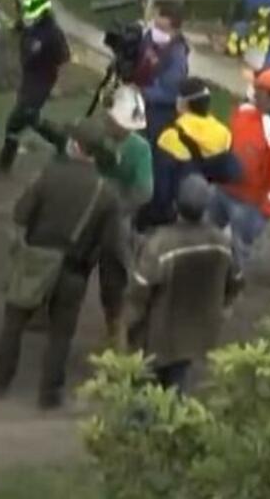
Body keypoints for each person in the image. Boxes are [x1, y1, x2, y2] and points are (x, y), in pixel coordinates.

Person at [0, 121, 124, 409]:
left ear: (74, 146)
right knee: (61, 335)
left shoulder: (49, 175)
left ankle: (0, 382)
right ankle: (49, 395)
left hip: (35, 263)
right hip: (74, 270)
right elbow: (111, 247)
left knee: (14, 323)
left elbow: (21, 213)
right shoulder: (107, 193)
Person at [124, 174, 242, 393]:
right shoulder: (222, 242)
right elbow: (236, 280)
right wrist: (223, 307)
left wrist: (131, 326)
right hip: (195, 334)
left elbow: (139, 290)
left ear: (176, 204)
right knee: (177, 386)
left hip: (157, 334)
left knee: (143, 390)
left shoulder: (161, 243)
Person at [212, 66, 270, 266]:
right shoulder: (248, 109)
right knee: (207, 235)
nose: (252, 92)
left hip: (249, 204)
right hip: (223, 190)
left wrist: (266, 211)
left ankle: (232, 280)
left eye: (257, 89)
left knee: (238, 250)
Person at [0, 0, 69, 177]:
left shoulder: (52, 34)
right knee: (30, 119)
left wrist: (57, 83)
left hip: (41, 82)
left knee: (16, 122)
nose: (22, 13)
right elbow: (19, 28)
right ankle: (63, 142)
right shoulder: (30, 23)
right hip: (29, 77)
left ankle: (4, 165)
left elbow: (64, 57)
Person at [95, 85, 153, 347]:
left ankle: (115, 326)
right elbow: (144, 190)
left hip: (109, 215)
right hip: (106, 213)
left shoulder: (137, 148)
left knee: (113, 276)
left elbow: (144, 191)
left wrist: (119, 209)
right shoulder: (135, 147)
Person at [141, 77, 238, 231]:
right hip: (204, 210)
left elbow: (160, 189)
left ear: (183, 103)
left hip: (175, 213)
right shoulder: (224, 134)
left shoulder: (171, 136)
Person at [140, 5, 190, 143]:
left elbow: (171, 93)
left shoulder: (177, 57)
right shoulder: (149, 40)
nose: (156, 32)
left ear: (174, 31)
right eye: (156, 26)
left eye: (162, 29)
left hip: (159, 112)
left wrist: (143, 90)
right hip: (142, 103)